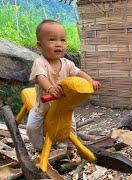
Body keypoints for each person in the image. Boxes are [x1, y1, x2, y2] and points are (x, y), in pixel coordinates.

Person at [26, 19, 101, 158]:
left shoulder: (67, 63)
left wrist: (91, 81)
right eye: (52, 40)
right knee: (31, 127)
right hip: (44, 106)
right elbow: (40, 77)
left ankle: (70, 147)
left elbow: (79, 73)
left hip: (63, 106)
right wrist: (49, 88)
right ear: (39, 45)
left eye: (62, 40)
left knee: (70, 125)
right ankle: (39, 148)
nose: (58, 44)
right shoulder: (40, 62)